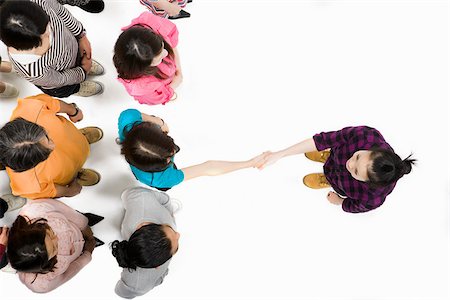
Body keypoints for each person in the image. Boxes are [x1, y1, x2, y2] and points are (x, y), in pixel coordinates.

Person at [258, 126, 416, 213]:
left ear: (368, 183)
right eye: (358, 157)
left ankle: (328, 179)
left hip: (341, 184)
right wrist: (281, 154)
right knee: (337, 155)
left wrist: (339, 201)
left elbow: (355, 206)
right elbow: (323, 139)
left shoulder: (372, 198)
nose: (350, 164)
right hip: (336, 155)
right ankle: (328, 156)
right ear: (371, 149)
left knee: (338, 178)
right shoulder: (365, 135)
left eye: (355, 172)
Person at [118, 109, 268, 191]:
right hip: (155, 178)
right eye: (168, 160)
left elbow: (158, 123)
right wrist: (249, 163)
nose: (172, 155)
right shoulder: (163, 178)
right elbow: (208, 167)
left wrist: (160, 123)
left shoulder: (127, 118)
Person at [0, 94, 103, 199]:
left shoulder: (31, 107)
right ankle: (77, 175)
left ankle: (83, 137)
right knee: (69, 173)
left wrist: (73, 111)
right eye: (46, 153)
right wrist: (70, 190)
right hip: (68, 172)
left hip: (72, 136)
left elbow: (54, 104)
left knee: (72, 138)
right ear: (30, 165)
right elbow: (53, 190)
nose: (53, 145)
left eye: (46, 136)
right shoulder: (28, 185)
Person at [0, 0, 104, 98]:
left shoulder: (39, 2)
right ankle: (78, 87)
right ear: (23, 46)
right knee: (69, 87)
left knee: (79, 59)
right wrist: (82, 71)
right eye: (45, 35)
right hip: (61, 80)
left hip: (73, 49)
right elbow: (61, 79)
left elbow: (60, 11)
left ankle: (81, 63)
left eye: (48, 25)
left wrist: (81, 35)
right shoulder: (33, 71)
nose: (51, 31)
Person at [7, 198, 103, 293]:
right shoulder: (41, 284)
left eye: (50, 234)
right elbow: (67, 274)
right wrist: (87, 254)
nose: (57, 240)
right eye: (54, 249)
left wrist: (85, 227)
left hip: (74, 225)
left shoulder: (36, 210)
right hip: (78, 253)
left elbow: (67, 212)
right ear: (43, 265)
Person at [111, 187, 181, 299]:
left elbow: (165, 199)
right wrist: (159, 280)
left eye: (170, 229)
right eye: (175, 248)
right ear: (157, 266)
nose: (178, 235)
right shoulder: (136, 285)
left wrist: (170, 212)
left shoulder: (141, 197)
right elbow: (120, 292)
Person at [113, 12, 183, 105]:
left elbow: (171, 36)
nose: (166, 53)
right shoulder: (142, 88)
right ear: (142, 66)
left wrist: (178, 68)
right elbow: (157, 97)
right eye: (158, 58)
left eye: (162, 46)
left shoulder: (149, 23)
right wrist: (175, 84)